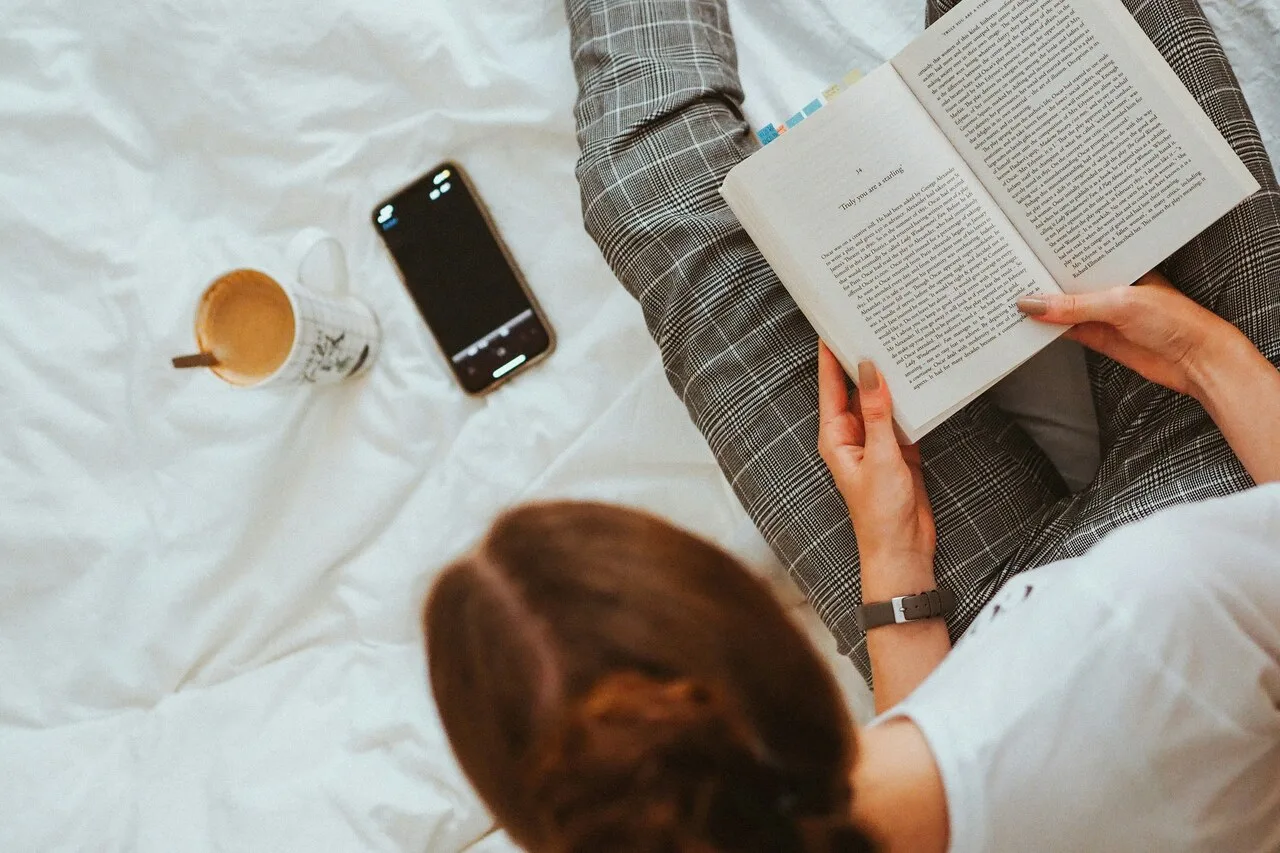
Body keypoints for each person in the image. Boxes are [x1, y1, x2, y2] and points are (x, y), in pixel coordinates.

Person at [563, 0, 1280, 682]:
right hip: (1246, 478)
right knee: (1028, 31)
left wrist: (893, 563)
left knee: (646, 192)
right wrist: (1203, 354)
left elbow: (931, 793)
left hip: (986, 651)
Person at [425, 490, 1280, 851]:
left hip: (948, 630)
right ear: (784, 646)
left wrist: (894, 566)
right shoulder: (1154, 608)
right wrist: (1210, 358)